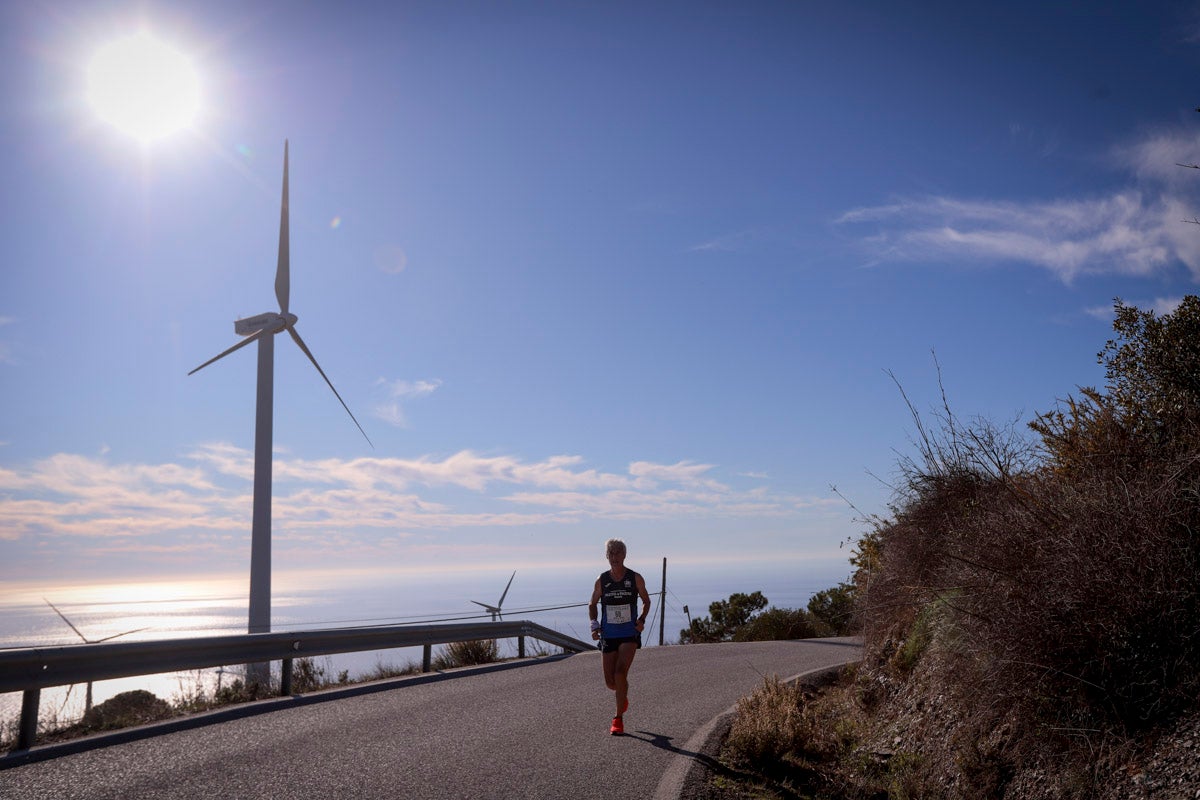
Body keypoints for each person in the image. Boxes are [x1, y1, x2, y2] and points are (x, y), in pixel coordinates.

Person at [588, 538, 652, 735]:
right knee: (610, 683)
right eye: (611, 553)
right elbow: (592, 604)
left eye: (618, 553)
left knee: (620, 672)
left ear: (624, 555)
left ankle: (618, 719)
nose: (615, 557)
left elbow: (646, 601)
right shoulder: (602, 580)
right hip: (608, 634)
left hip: (628, 634)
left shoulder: (635, 578)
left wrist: (641, 620)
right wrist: (594, 625)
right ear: (607, 556)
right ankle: (622, 697)